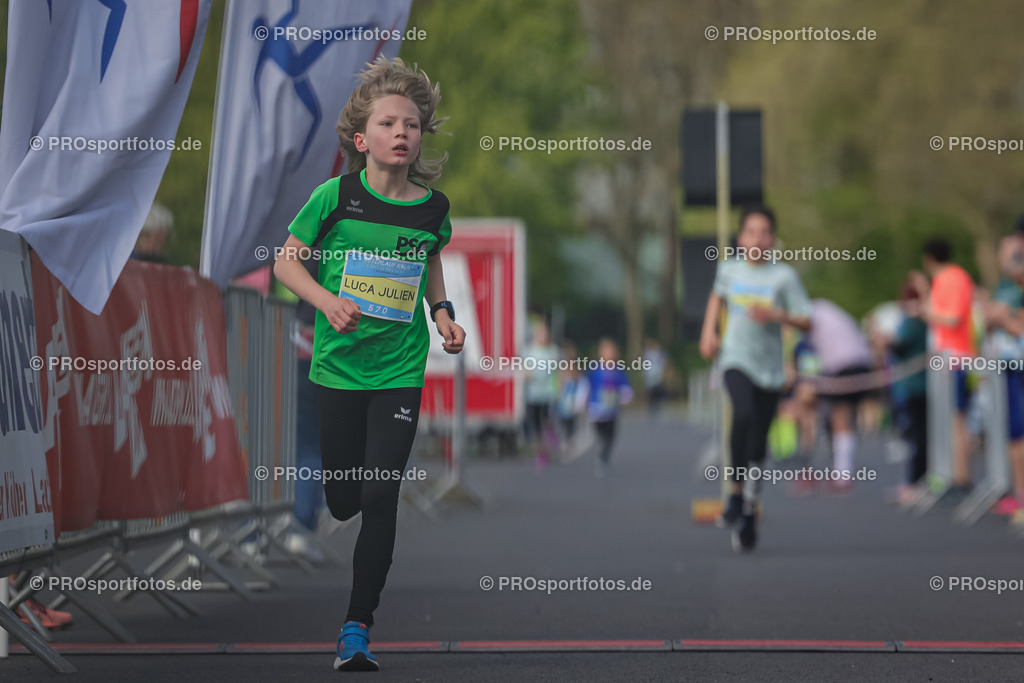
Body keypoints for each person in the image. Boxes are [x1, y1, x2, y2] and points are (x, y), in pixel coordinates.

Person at [274, 57, 465, 672]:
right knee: (343, 500)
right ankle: (341, 499)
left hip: (399, 371)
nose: (402, 133)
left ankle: (356, 628)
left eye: (411, 124)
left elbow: (430, 260)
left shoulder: (433, 209)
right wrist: (328, 301)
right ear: (364, 140)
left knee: (381, 497)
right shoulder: (335, 197)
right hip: (337, 369)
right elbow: (286, 263)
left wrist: (442, 315)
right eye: (389, 123)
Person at [699, 206, 811, 552]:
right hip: (736, 358)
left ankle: (749, 507)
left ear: (773, 240)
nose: (757, 240)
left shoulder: (784, 277)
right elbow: (716, 297)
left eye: (764, 233)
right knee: (742, 414)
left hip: (771, 369)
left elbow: (807, 320)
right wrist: (708, 333)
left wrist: (776, 314)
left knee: (759, 440)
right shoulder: (729, 269)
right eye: (751, 232)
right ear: (740, 238)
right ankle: (734, 494)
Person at [911, 237, 975, 496]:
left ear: (929, 258)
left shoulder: (950, 278)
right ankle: (953, 475)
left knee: (956, 419)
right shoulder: (954, 278)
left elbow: (952, 317)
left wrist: (926, 312)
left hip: (954, 356)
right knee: (952, 419)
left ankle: (960, 477)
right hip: (949, 355)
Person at [805, 298, 875, 494]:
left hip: (844, 366)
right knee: (844, 418)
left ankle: (842, 473)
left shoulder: (812, 313)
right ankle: (842, 468)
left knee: (840, 417)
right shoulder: (828, 311)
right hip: (859, 363)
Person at [983, 229, 1024, 523]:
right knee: (1015, 433)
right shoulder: (1007, 289)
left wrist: (1004, 319)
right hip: (1010, 367)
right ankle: (1020, 493)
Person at [884, 272, 930, 504]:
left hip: (919, 384)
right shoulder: (917, 320)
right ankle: (917, 481)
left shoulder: (914, 321)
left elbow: (902, 346)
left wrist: (888, 342)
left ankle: (917, 481)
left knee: (920, 436)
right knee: (919, 435)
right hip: (915, 383)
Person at [581, 338, 633, 476]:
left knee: (611, 435)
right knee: (599, 435)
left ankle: (604, 457)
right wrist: (581, 401)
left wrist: (625, 396)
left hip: (612, 411)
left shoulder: (619, 371)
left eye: (612, 352)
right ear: (601, 353)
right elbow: (585, 386)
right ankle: (600, 453)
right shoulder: (594, 371)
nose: (610, 354)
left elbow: (626, 387)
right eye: (607, 351)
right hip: (597, 410)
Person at [522, 319, 560, 472]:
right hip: (532, 394)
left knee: (546, 421)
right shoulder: (529, 351)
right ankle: (541, 454)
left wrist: (558, 388)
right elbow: (524, 369)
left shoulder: (554, 352)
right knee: (536, 427)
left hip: (548, 394)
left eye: (545, 333)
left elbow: (559, 372)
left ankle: (550, 435)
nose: (543, 336)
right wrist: (526, 375)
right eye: (540, 333)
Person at [642, 337, 669, 419]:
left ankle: (659, 409)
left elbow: (665, 363)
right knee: (652, 395)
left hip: (658, 378)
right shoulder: (647, 353)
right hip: (650, 378)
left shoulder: (660, 353)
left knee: (659, 394)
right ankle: (652, 410)